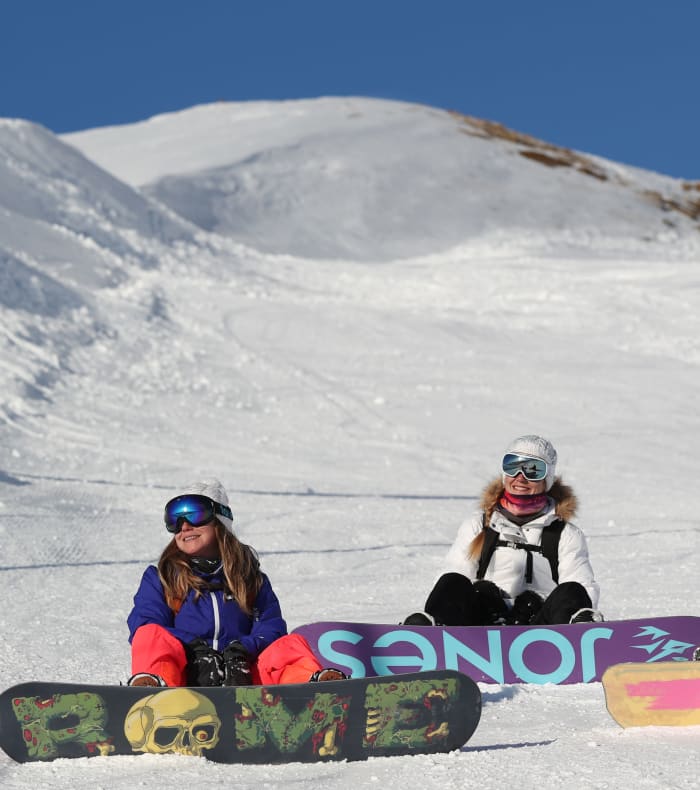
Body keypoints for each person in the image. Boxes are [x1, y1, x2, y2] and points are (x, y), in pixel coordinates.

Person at [127, 479, 346, 687]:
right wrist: (194, 649)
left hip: (243, 679)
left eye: (195, 513)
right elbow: (146, 624)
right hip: (184, 679)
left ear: (220, 519)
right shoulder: (161, 578)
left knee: (289, 644)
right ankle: (152, 692)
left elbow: (272, 628)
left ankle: (313, 691)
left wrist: (242, 650)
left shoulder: (250, 578)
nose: (184, 526)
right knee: (149, 636)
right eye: (174, 518)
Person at [403, 435, 602, 627]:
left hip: (541, 630)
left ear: (547, 479)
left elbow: (581, 584)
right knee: (452, 581)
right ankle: (431, 632)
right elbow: (455, 576)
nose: (520, 478)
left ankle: (579, 632)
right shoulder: (479, 525)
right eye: (512, 466)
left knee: (573, 590)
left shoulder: (564, 534)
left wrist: (540, 602)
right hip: (481, 626)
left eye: (533, 470)